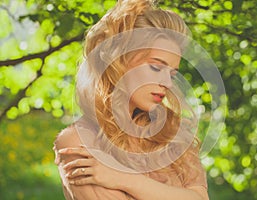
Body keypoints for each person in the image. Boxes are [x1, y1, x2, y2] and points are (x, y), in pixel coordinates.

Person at [53, 0, 209, 199]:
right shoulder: (77, 142)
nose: (167, 83)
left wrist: (123, 178)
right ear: (118, 61)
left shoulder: (172, 133)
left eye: (171, 73)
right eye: (155, 67)